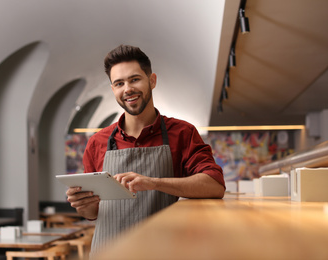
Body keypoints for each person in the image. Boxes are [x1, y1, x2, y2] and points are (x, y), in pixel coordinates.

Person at [66, 44, 225, 254]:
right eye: (119, 83)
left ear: (152, 80)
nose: (128, 89)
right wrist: (82, 204)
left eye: (134, 79)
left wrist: (153, 183)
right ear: (113, 89)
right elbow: (93, 212)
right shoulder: (97, 142)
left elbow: (214, 185)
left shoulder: (183, 133)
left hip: (165, 251)